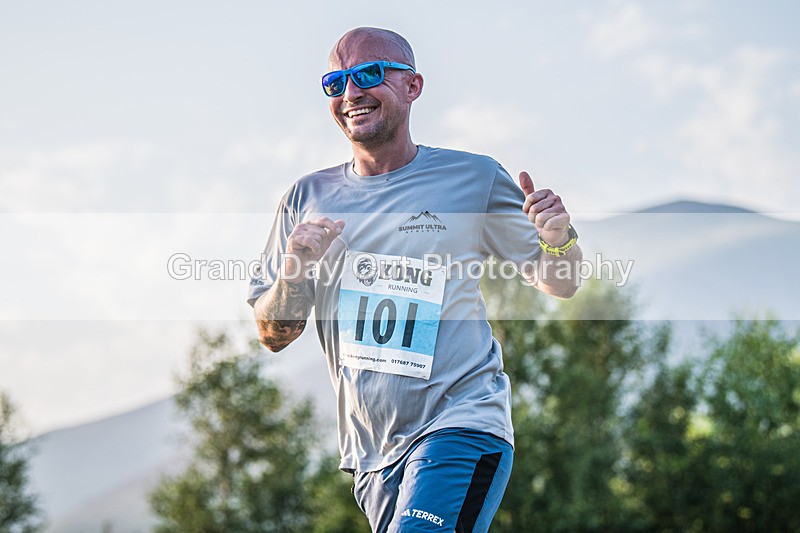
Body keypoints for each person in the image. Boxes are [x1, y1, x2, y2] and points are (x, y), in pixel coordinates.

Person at [248, 27, 583, 533]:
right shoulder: (307, 197)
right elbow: (273, 335)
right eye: (335, 82)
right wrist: (296, 267)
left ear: (413, 86)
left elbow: (560, 281)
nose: (350, 93)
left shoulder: (472, 178)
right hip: (371, 454)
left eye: (368, 74)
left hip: (461, 423)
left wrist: (558, 238)